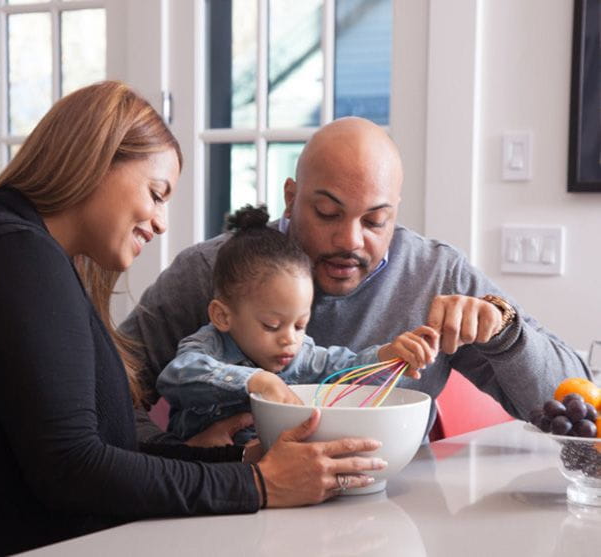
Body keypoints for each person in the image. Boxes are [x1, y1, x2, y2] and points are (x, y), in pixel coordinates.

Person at [0, 83, 389, 556]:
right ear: (97, 159)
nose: (161, 222)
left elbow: (96, 452)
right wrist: (259, 486)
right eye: (156, 193)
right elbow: (72, 469)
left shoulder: (28, 253)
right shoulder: (15, 256)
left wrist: (238, 464)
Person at [120, 116, 590, 445]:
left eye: (375, 221)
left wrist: (505, 333)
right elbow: (107, 391)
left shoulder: (435, 275)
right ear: (291, 197)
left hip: (393, 515)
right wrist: (177, 456)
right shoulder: (216, 272)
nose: (349, 239)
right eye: (327, 213)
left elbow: (579, 410)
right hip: (239, 506)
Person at [157, 204, 438, 443]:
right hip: (203, 478)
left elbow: (346, 370)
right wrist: (256, 380)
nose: (289, 339)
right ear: (223, 316)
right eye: (271, 325)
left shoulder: (302, 356)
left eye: (300, 325)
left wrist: (387, 356)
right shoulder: (208, 346)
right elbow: (176, 375)